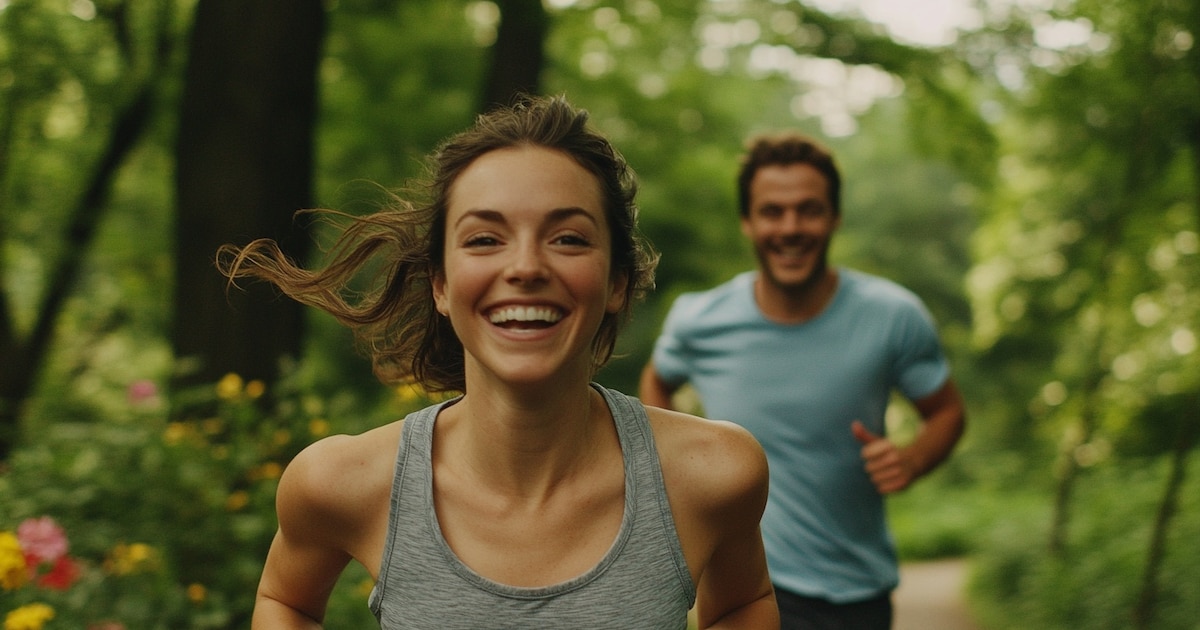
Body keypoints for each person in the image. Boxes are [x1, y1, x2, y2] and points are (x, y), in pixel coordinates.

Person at [218, 95, 779, 629]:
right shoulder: (339, 484)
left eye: (568, 238)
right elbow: (284, 603)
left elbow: (742, 604)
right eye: (485, 239)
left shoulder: (714, 474)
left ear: (617, 283)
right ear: (440, 283)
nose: (526, 266)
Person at [639, 132, 966, 629]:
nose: (790, 227)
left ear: (834, 217)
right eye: (772, 211)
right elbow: (655, 385)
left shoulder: (893, 316)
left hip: (859, 592)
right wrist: (678, 469)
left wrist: (913, 458)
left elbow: (947, 412)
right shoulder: (699, 320)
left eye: (808, 210)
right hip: (744, 591)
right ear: (748, 222)